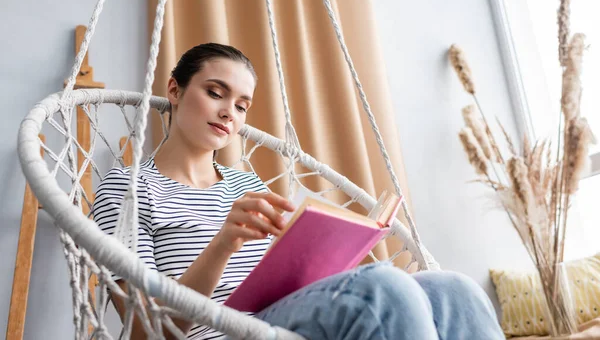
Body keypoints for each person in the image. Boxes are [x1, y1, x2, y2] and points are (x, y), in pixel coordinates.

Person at [92, 43, 505, 340]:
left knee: (454, 291)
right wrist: (223, 245)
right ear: (176, 90)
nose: (227, 112)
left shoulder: (244, 185)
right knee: (383, 290)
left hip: (285, 319)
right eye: (215, 93)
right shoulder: (128, 189)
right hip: (218, 334)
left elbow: (281, 281)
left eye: (241, 105)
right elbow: (143, 329)